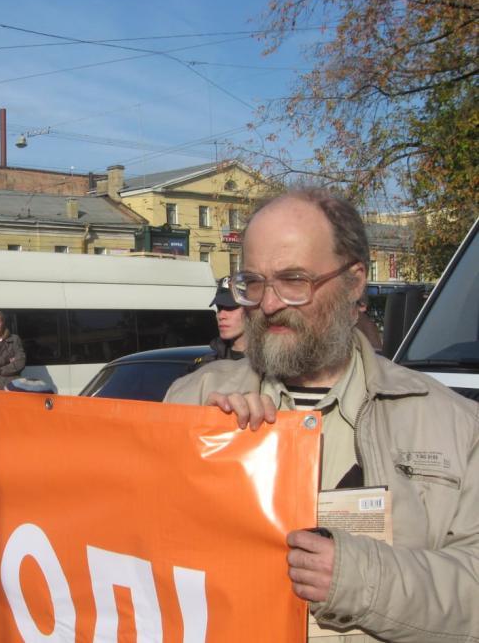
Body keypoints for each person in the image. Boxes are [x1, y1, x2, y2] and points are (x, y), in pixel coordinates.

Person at [165, 188, 478, 642]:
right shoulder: (192, 399)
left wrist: (358, 578)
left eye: (293, 281)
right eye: (253, 282)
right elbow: (134, 555)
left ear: (354, 282)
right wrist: (203, 454)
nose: (267, 304)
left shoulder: (453, 424)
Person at [198, 276, 246, 363]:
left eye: (230, 307)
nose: (221, 316)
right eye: (219, 308)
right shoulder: (205, 366)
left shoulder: (272, 367)